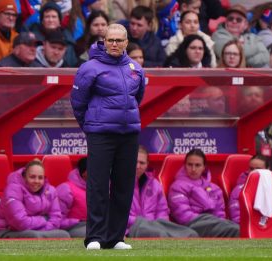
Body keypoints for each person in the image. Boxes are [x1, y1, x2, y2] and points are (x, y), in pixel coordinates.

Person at [70, 23, 145, 250]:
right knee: (98, 186)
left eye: (118, 40)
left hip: (128, 133)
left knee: (124, 186)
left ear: (125, 43)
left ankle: (116, 238)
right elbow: (78, 102)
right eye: (110, 40)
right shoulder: (89, 67)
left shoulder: (136, 68)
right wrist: (91, 125)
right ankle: (95, 237)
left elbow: (137, 98)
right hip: (100, 133)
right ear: (103, 42)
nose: (114, 44)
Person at [127, 145, 198, 238]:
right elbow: (114, 213)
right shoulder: (116, 183)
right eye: (135, 161)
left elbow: (162, 211)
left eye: (142, 163)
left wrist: (158, 224)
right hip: (130, 227)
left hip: (155, 225)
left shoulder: (154, 184)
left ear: (147, 164)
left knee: (189, 233)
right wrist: (142, 222)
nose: (138, 166)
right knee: (160, 235)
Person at [168, 149, 240, 237]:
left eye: (197, 165)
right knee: (234, 230)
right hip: (190, 226)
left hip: (214, 224)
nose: (193, 169)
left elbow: (220, 214)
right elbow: (183, 216)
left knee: (236, 227)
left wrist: (216, 222)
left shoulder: (215, 188)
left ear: (204, 167)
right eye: (190, 165)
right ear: (185, 165)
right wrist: (211, 221)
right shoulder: (177, 187)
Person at [0, 159, 70, 238]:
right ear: (24, 177)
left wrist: (44, 228)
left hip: (36, 230)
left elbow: (56, 218)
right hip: (5, 231)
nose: (36, 181)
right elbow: (20, 222)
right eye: (32, 177)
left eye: (40, 178)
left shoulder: (51, 191)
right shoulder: (13, 190)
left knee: (64, 235)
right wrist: (44, 219)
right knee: (34, 236)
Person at [228, 154, 272, 224]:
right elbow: (237, 218)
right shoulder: (238, 191)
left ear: (267, 169)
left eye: (258, 169)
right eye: (251, 169)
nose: (254, 172)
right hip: (249, 229)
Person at [29, 1, 78, 67]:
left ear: (59, 21)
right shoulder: (31, 38)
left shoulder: (68, 40)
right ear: (42, 21)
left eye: (54, 17)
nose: (50, 20)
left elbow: (72, 64)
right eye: (47, 17)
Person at [56, 157, 88, 238]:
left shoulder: (105, 188)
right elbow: (57, 220)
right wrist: (79, 221)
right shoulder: (66, 189)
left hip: (96, 226)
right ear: (85, 172)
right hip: (74, 228)